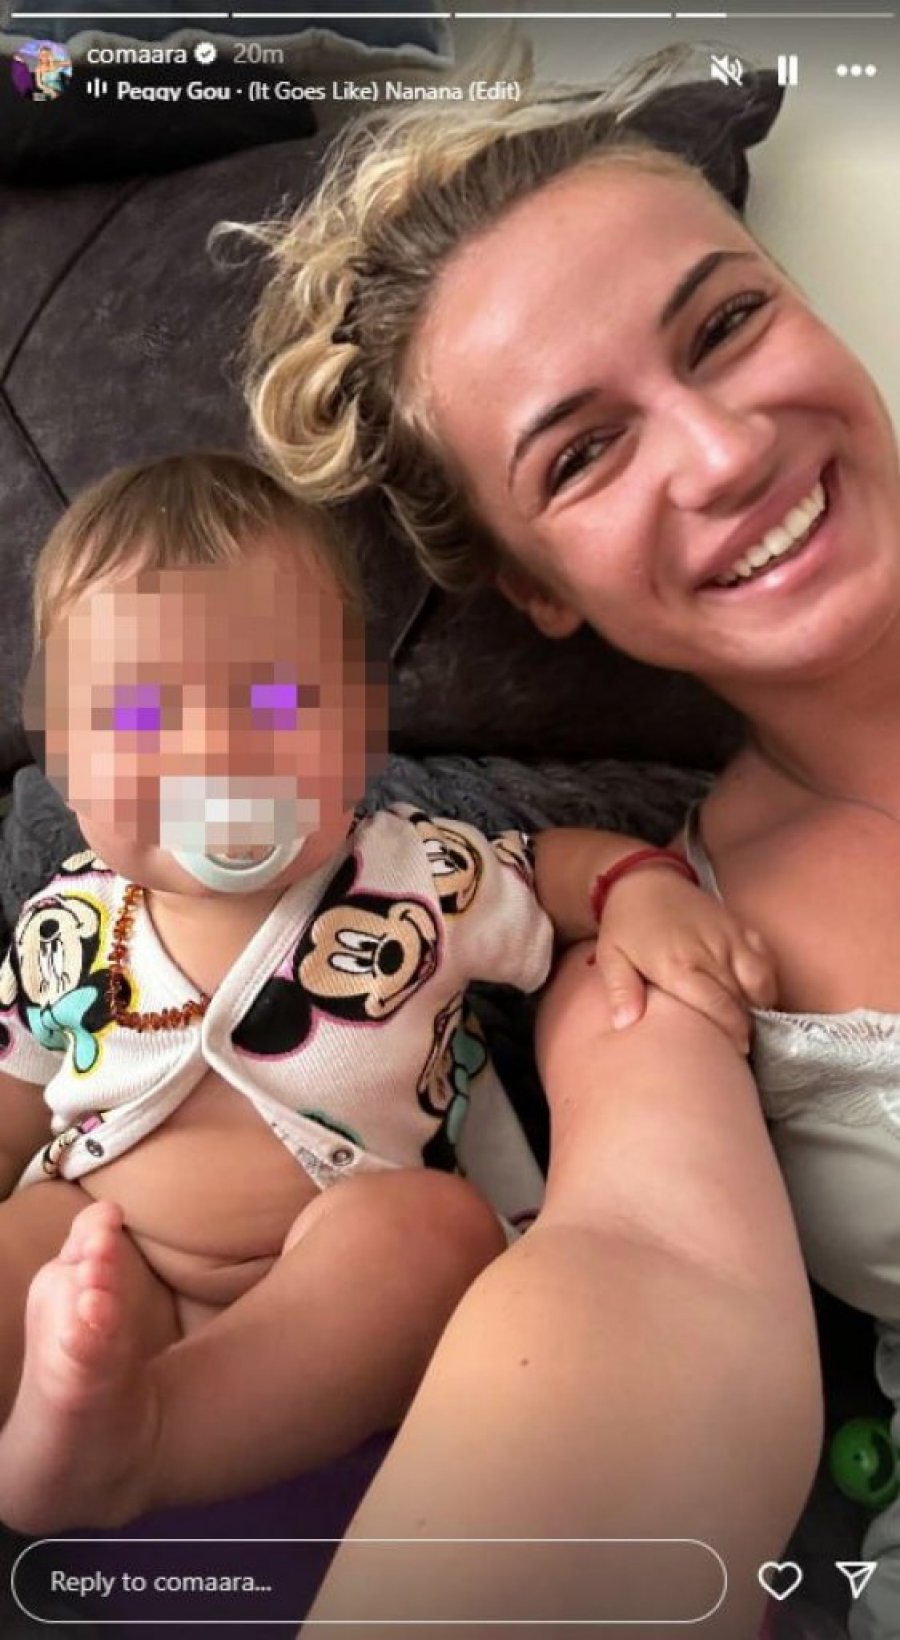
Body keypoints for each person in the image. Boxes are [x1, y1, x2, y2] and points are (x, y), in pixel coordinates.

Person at [236, 55, 886, 1639]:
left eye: (727, 325)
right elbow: (645, 1273)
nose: (723, 452)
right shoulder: (669, 951)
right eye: (583, 454)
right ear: (541, 589)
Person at [0, 449, 773, 1541]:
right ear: (64, 760)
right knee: (24, 1246)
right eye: (136, 712)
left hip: (334, 1283)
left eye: (276, 696)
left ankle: (151, 1442)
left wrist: (637, 885)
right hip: (107, 1247)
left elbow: (542, 869)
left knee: (432, 1236)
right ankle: (71, 1421)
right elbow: (17, 1093)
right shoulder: (65, 921)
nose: (215, 749)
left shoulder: (415, 875)